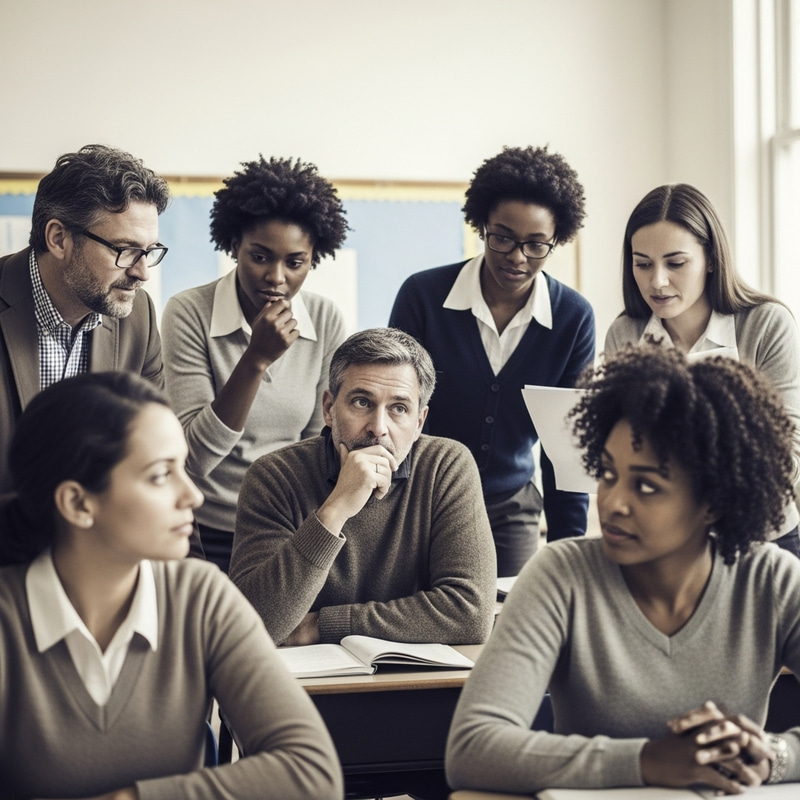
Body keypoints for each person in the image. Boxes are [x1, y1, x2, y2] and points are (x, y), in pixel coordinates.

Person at [446, 345, 800, 794]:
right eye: (608, 474)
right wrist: (648, 760)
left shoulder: (772, 580)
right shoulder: (561, 576)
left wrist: (773, 755)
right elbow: (472, 749)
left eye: (646, 486)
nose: (613, 503)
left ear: (713, 501)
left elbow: (774, 755)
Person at [0, 371, 343, 800]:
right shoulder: (9, 619)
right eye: (161, 475)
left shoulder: (202, 597)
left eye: (183, 467)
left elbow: (312, 774)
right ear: (77, 502)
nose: (193, 496)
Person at [389, 145, 595, 577]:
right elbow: (394, 410)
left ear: (556, 240)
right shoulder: (423, 296)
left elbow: (565, 446)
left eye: (536, 245)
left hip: (510, 508)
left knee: (504, 610)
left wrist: (569, 554)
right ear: (481, 225)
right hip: (421, 497)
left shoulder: (573, 318)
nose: (517, 257)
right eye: (502, 237)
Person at [230, 327, 496, 647]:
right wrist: (335, 509)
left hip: (417, 675)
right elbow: (253, 626)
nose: (378, 428)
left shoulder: (446, 466)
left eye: (399, 408)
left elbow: (471, 614)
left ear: (419, 422)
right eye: (361, 402)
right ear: (329, 409)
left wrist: (323, 625)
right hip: (306, 678)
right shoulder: (274, 476)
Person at [161, 156, 348, 573]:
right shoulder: (188, 312)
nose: (276, 277)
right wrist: (256, 359)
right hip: (204, 528)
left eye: (294, 262)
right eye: (260, 257)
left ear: (313, 259)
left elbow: (319, 444)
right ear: (234, 246)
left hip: (286, 525)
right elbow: (193, 458)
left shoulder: (325, 319)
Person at [605, 182, 800, 555]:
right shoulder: (625, 333)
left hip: (763, 538)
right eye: (642, 264)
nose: (657, 281)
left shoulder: (766, 324)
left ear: (711, 259)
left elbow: (789, 460)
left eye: (675, 263)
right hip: (668, 541)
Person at [0, 144, 168, 497]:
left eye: (149, 252)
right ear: (58, 239)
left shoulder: (138, 315)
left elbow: (157, 455)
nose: (142, 273)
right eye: (125, 250)